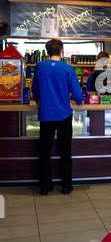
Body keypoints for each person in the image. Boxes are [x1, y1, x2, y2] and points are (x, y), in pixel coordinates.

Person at [32, 39, 82, 195]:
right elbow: (78, 96)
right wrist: (78, 101)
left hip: (46, 115)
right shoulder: (68, 68)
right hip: (64, 115)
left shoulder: (40, 66)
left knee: (44, 152)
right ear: (61, 51)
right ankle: (67, 186)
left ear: (46, 51)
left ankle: (46, 187)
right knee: (65, 151)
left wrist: (39, 98)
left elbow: (36, 91)